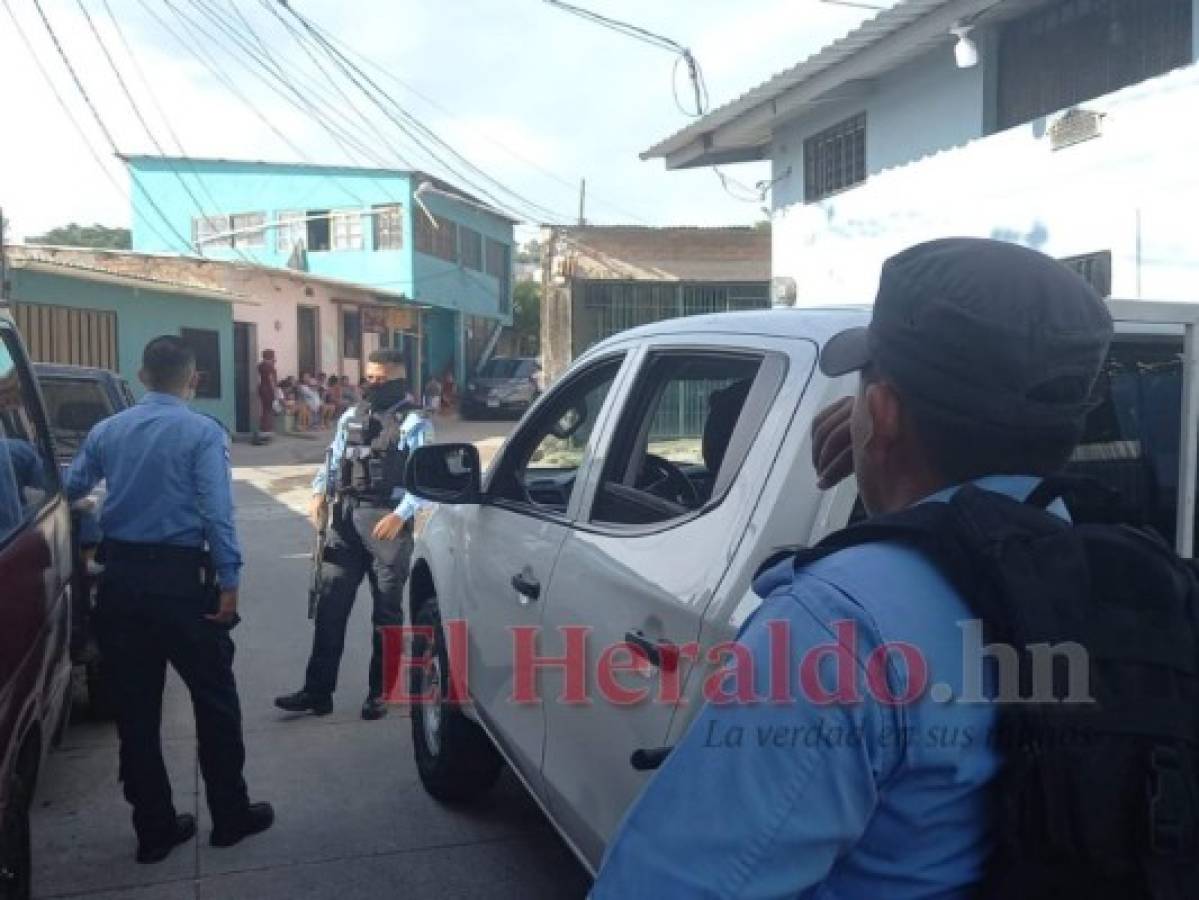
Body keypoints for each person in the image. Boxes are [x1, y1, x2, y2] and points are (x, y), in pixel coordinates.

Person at [592, 239, 1115, 897]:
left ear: (882, 410)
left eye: (864, 385)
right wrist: (887, 438)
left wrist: (885, 443)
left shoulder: (837, 622)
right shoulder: (1136, 584)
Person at [65, 336, 274, 864]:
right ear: (194, 378)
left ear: (141, 374)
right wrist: (229, 579)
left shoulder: (106, 431)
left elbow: (70, 487)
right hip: (184, 585)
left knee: (136, 712)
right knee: (214, 700)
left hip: (122, 584)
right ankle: (229, 817)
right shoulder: (202, 432)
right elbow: (216, 511)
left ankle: (154, 830)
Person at [274, 349, 433, 721]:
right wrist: (318, 492)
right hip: (345, 520)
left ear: (399, 380)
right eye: (370, 378)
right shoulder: (351, 415)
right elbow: (333, 459)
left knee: (386, 613)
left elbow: (425, 479)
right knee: (330, 607)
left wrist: (401, 514)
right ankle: (317, 692)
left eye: (382, 379)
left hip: (386, 523)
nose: (373, 385)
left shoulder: (414, 422)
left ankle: (380, 692)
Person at [255, 349, 277, 439]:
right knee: (268, 409)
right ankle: (267, 429)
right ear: (270, 356)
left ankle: (263, 428)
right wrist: (274, 390)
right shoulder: (269, 367)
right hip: (268, 389)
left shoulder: (260, 366)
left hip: (261, 388)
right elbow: (271, 379)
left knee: (264, 409)